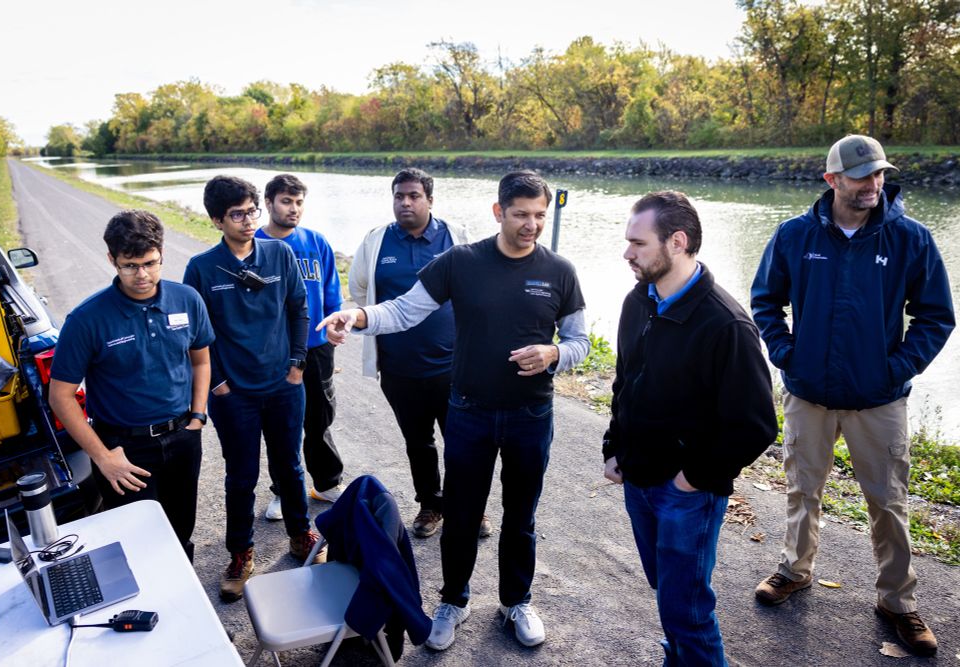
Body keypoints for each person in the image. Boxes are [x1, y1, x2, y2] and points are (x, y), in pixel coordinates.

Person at [320, 170, 590, 651]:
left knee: (520, 515)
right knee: (462, 514)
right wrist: (357, 316)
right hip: (469, 412)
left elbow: (580, 342)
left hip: (531, 415)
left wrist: (553, 355)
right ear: (498, 212)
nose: (531, 225)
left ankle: (516, 601)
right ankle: (453, 600)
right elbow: (402, 310)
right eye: (521, 215)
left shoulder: (560, 271)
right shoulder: (461, 262)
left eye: (539, 216)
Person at [750, 135, 955, 656]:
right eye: (862, 175)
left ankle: (898, 602)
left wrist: (897, 369)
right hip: (808, 395)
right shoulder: (794, 236)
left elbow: (935, 316)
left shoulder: (910, 239)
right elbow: (765, 301)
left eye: (879, 173)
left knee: (888, 502)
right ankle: (794, 571)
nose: (873, 184)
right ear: (832, 180)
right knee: (802, 490)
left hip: (879, 401)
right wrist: (787, 354)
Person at [602, 191, 776, 666]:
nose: (627, 253)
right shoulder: (639, 301)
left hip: (687, 493)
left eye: (637, 243)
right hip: (637, 479)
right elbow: (625, 381)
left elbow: (756, 425)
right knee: (668, 593)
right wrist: (613, 447)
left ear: (677, 242)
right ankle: (678, 655)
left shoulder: (726, 325)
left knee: (689, 609)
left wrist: (691, 478)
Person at [183, 175, 324, 604]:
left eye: (251, 211)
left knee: (290, 466)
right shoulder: (202, 268)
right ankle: (241, 555)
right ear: (216, 220)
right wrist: (219, 382)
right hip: (234, 394)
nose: (248, 221)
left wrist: (298, 364)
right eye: (237, 214)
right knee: (241, 475)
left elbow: (299, 309)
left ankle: (302, 537)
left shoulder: (279, 254)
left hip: (284, 385)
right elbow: (198, 332)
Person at [49, 210, 213, 562]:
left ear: (162, 254)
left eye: (151, 263)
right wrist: (102, 457)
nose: (142, 275)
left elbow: (201, 359)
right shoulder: (86, 320)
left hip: (182, 436)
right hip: (124, 449)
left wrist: (197, 417)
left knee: (181, 528)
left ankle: (183, 596)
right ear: (112, 259)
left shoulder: (187, 300)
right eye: (130, 265)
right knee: (137, 542)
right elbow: (60, 396)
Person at [347, 168, 470, 538]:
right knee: (418, 442)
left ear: (430, 200)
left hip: (454, 366)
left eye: (414, 195)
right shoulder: (377, 241)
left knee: (463, 443)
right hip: (400, 369)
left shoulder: (457, 238)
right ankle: (431, 505)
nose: (405, 202)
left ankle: (468, 505)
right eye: (399, 196)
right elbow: (359, 288)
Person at [257, 174, 344, 517]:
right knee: (282, 421)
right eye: (285, 201)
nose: (293, 209)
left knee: (320, 417)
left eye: (298, 202)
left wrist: (335, 322)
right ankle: (283, 490)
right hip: (276, 349)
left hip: (316, 344)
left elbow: (331, 290)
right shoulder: (256, 243)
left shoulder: (316, 241)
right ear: (269, 203)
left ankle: (325, 484)